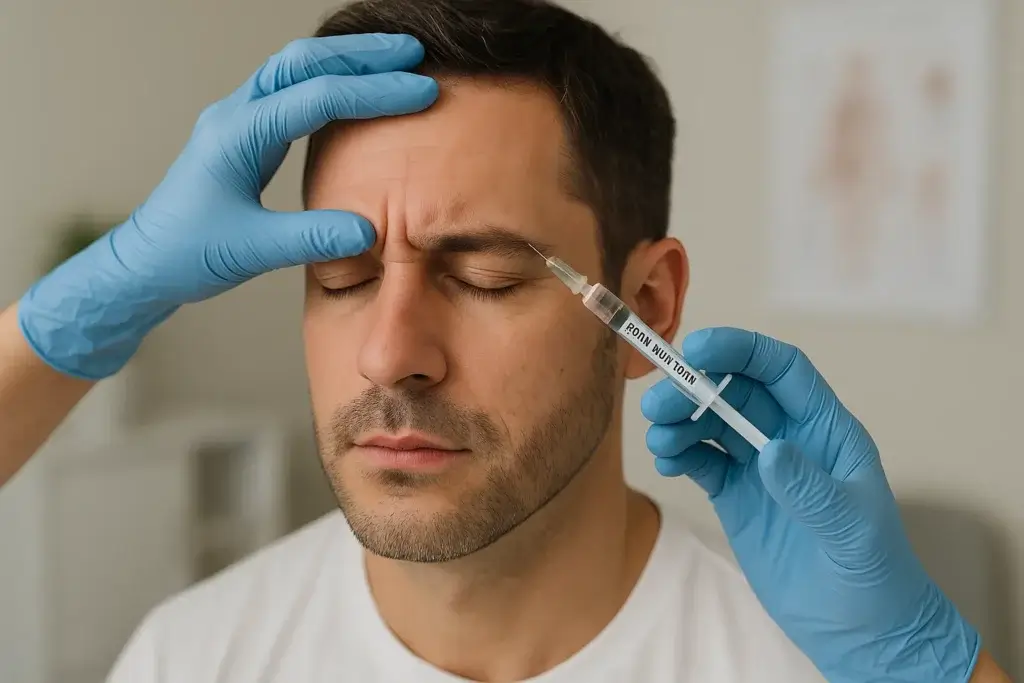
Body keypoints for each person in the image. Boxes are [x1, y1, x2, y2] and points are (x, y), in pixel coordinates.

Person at [0, 1, 1011, 681]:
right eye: (341, 278)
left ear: (645, 306)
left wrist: (924, 666)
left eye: (485, 276)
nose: (388, 353)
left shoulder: (803, 664)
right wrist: (89, 302)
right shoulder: (191, 655)